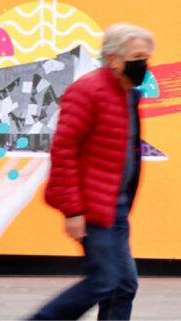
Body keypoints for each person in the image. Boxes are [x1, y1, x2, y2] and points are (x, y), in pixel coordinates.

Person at [30, 23, 155, 320]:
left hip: (117, 208)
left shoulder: (129, 95)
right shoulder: (88, 90)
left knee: (123, 285)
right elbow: (64, 148)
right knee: (104, 280)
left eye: (146, 57)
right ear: (113, 58)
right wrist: (73, 211)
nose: (144, 64)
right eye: (137, 56)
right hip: (92, 207)